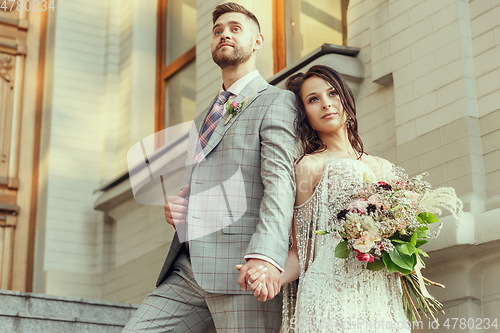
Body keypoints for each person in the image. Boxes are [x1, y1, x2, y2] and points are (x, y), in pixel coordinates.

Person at [122, 2, 297, 332]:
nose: (224, 35)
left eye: (234, 29)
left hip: (243, 269)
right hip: (187, 269)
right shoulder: (203, 116)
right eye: (218, 31)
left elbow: (280, 184)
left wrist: (267, 256)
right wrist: (178, 209)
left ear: (257, 41)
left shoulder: (277, 102)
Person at [241, 65, 410, 332]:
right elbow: (304, 249)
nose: (326, 104)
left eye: (332, 93)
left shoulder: (384, 166)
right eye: (313, 99)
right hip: (329, 297)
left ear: (345, 98)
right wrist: (268, 276)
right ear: (305, 114)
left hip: (379, 295)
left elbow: (402, 240)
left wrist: (404, 256)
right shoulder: (309, 166)